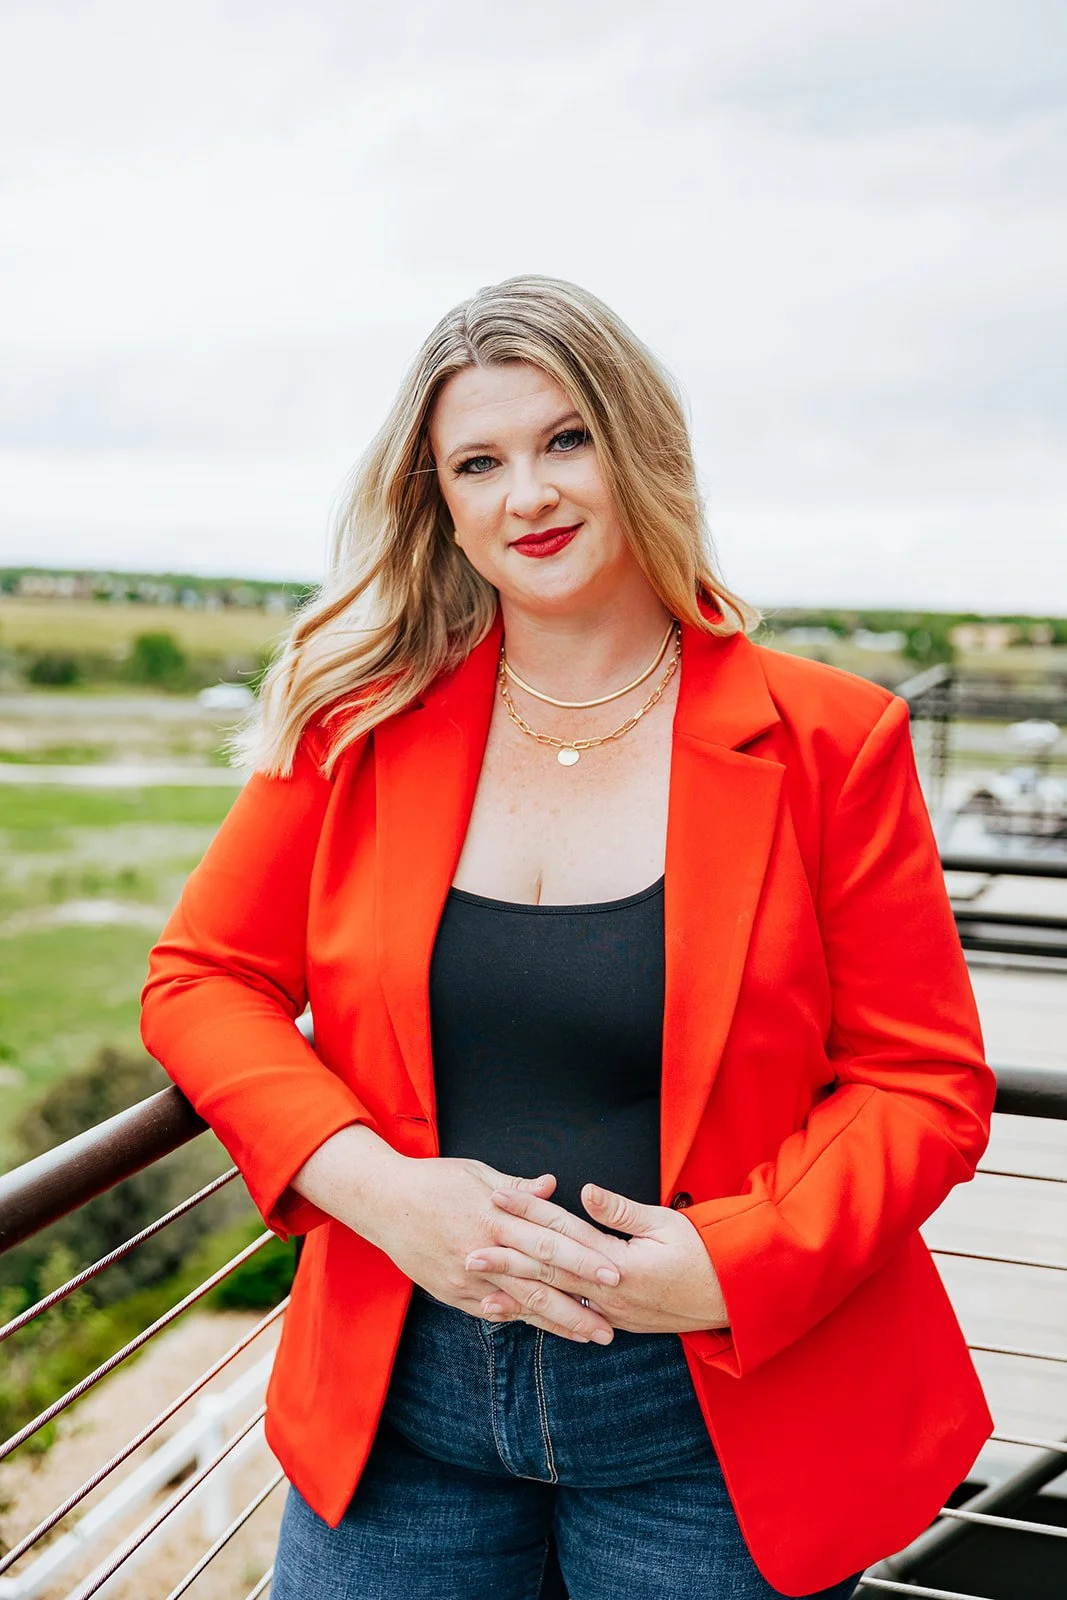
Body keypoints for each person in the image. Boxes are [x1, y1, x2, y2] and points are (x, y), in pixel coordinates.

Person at [140, 274, 996, 1600]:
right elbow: (201, 981)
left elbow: (920, 1083)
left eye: (563, 440)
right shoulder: (356, 726)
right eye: (475, 463)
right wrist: (379, 1192)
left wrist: (727, 1265)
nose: (524, 495)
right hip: (401, 1411)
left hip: (707, 1413)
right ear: (438, 501)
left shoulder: (832, 740)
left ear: (638, 448)